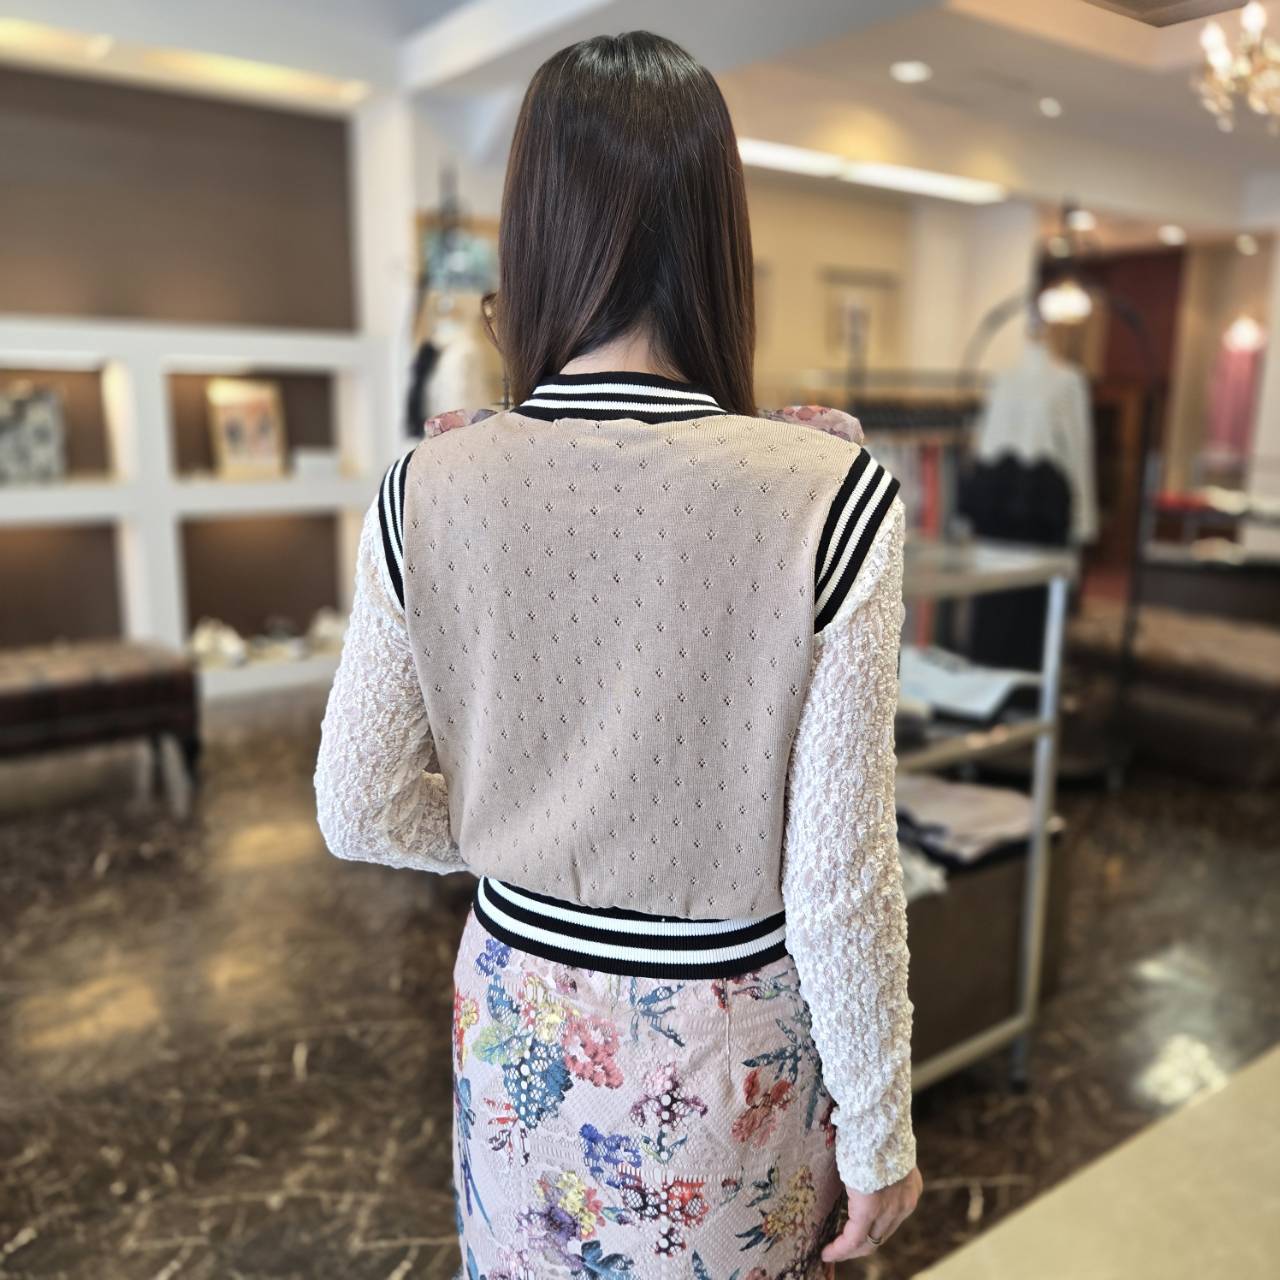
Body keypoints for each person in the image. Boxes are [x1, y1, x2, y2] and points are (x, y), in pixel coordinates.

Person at [315, 29, 920, 1278]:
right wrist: (879, 1128)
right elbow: (837, 874)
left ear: (530, 232)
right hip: (724, 1045)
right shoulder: (830, 489)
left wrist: (528, 823)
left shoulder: (425, 483)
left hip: (516, 1011)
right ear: (717, 235)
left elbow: (356, 803)